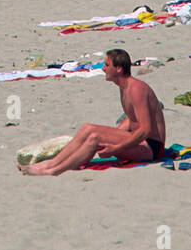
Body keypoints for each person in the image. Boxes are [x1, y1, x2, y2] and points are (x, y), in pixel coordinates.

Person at [23, 49, 166, 175]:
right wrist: (113, 135)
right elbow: (132, 119)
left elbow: (145, 129)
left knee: (95, 137)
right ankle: (51, 163)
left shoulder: (136, 89)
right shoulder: (125, 88)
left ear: (119, 69)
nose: (103, 69)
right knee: (88, 128)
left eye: (107, 65)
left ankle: (55, 170)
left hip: (151, 148)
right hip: (139, 140)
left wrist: (117, 147)